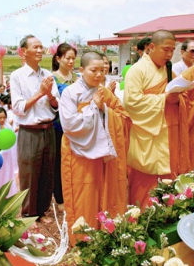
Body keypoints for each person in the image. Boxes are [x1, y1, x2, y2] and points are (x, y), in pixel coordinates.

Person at [60, 51, 130, 245]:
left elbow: (122, 116)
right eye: (94, 70)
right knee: (83, 194)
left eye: (102, 70)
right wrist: (93, 108)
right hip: (79, 153)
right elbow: (69, 125)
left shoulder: (104, 92)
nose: (99, 75)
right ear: (81, 70)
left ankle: (105, 234)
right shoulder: (70, 93)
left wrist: (103, 109)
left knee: (103, 190)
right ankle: (83, 240)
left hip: (103, 156)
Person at [124, 30, 190, 208]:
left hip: (168, 131)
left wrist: (178, 98)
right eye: (165, 50)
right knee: (146, 179)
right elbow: (131, 103)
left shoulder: (167, 70)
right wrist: (163, 99)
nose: (169, 55)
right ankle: (140, 216)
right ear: (151, 47)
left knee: (168, 178)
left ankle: (165, 213)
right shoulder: (136, 71)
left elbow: (178, 94)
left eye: (172, 50)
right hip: (147, 133)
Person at [10, 34, 59, 225]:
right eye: (35, 47)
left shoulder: (48, 74)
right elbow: (18, 108)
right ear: (24, 52)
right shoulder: (17, 76)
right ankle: (29, 214)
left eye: (41, 47)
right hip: (29, 131)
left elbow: (55, 104)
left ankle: (42, 210)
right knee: (29, 172)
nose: (40, 51)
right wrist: (40, 93)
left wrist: (49, 95)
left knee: (47, 171)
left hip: (48, 129)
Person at [51, 43, 78, 210]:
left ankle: (73, 193)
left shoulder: (76, 77)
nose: (71, 61)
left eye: (73, 58)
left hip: (76, 126)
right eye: (67, 58)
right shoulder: (52, 78)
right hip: (58, 126)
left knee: (74, 161)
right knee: (59, 163)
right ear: (58, 58)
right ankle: (60, 197)